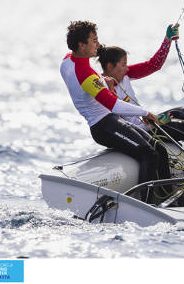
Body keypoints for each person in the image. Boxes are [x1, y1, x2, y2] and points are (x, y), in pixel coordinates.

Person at [60, 20, 171, 201]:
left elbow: (88, 84)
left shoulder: (66, 61)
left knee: (159, 148)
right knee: (148, 153)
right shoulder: (85, 75)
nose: (97, 44)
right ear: (81, 45)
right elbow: (114, 105)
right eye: (93, 40)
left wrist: (104, 81)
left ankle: (167, 193)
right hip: (103, 127)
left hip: (112, 121)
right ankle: (145, 202)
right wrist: (145, 112)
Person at [96, 24, 184, 173]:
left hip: (149, 120)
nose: (127, 68)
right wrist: (150, 119)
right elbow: (117, 116)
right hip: (142, 130)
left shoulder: (125, 74)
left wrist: (167, 40)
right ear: (109, 66)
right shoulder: (102, 87)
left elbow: (153, 65)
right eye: (123, 64)